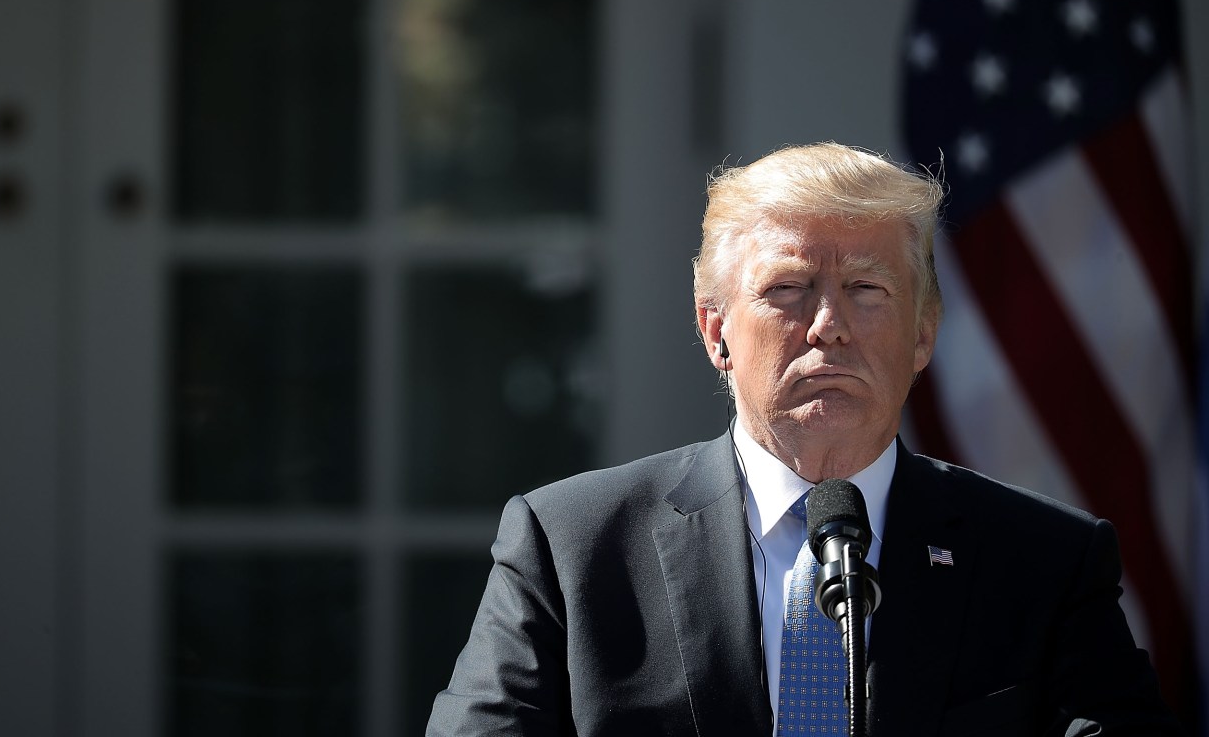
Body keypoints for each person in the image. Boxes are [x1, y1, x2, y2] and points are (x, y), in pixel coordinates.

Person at [425, 143, 1180, 736]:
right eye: (789, 289)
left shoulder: (1044, 562)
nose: (830, 325)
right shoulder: (571, 548)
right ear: (716, 330)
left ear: (922, 334)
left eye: (867, 289)